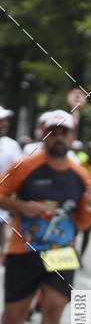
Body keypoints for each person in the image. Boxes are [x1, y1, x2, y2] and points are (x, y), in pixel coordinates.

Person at [0, 110, 91, 324]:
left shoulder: (80, 175)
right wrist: (22, 207)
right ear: (44, 133)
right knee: (11, 316)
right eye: (53, 132)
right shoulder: (24, 166)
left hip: (61, 253)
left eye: (64, 132)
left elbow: (82, 220)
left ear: (72, 137)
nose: (59, 137)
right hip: (24, 250)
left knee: (54, 310)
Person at [0, 106, 22, 263]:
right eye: (1, 121)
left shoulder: (12, 146)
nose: (5, 124)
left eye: (6, 121)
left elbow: (20, 174)